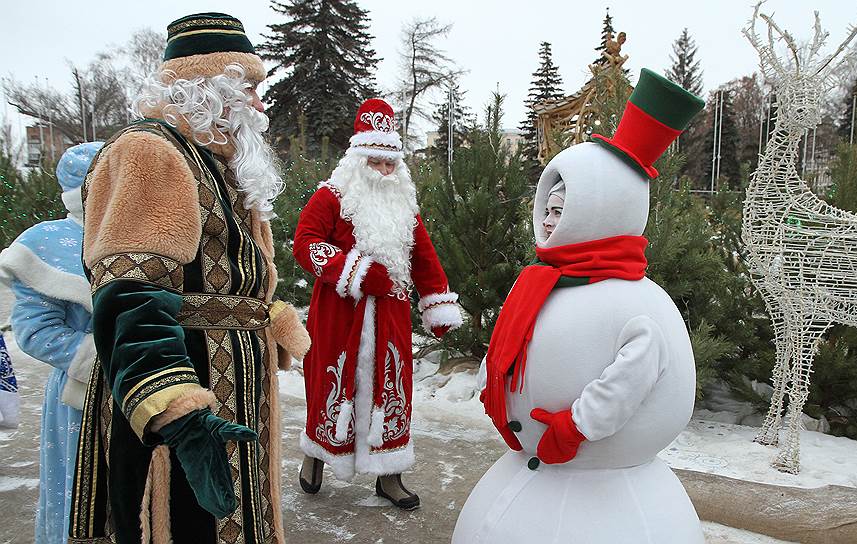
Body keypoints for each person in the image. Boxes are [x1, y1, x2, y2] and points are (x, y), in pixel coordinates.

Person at [68, 13, 309, 544]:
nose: (260, 104)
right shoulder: (152, 152)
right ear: (208, 87)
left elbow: (224, 279)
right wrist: (176, 413)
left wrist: (269, 314)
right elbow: (129, 291)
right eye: (248, 88)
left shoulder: (217, 163)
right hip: (184, 397)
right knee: (186, 523)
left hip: (234, 385)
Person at [453, 68, 706, 543]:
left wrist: (576, 426)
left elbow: (631, 376)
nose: (549, 222)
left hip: (612, 498)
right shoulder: (543, 282)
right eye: (547, 210)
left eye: (562, 210)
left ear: (599, 206)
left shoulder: (637, 303)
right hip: (529, 470)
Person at [293, 98, 463, 509]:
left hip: (390, 313)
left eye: (391, 164)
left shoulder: (404, 204)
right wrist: (355, 271)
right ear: (358, 160)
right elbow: (304, 243)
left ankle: (390, 474)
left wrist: (435, 302)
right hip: (338, 313)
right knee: (330, 385)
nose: (385, 172)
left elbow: (423, 254)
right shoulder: (331, 197)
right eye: (376, 163)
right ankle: (317, 454)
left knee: (393, 387)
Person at [0, 142, 101, 543]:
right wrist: (106, 359)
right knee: (81, 495)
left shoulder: (150, 239)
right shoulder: (46, 243)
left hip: (153, 392)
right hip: (81, 397)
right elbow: (34, 331)